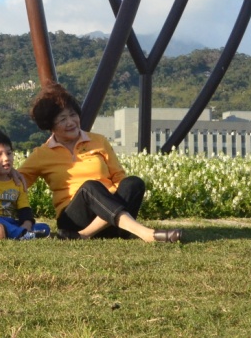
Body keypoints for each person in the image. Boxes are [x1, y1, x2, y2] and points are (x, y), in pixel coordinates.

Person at [15, 82, 182, 243]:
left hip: (109, 220)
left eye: (73, 115)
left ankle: (86, 235)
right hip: (74, 220)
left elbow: (118, 177)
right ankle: (145, 233)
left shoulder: (99, 141)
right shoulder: (42, 154)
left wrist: (108, 203)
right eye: (62, 119)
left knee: (133, 183)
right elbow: (16, 183)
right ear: (50, 125)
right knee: (90, 187)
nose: (71, 122)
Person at [0, 128, 51, 240]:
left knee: (45, 227)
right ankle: (20, 234)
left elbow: (24, 209)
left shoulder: (17, 181)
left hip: (12, 222)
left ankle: (21, 232)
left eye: (9, 153)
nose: (6, 158)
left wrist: (26, 225)